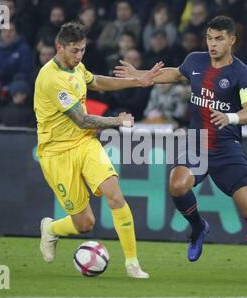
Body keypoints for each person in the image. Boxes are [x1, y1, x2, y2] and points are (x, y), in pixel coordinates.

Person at [115, 16, 247, 281]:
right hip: (197, 142)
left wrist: (231, 117)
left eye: (219, 39)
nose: (213, 44)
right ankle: (198, 227)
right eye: (210, 38)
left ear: (232, 40)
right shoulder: (195, 61)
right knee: (177, 184)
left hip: (227, 147)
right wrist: (142, 76)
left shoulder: (242, 73)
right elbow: (176, 74)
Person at [35, 22, 162, 279]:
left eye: (82, 50)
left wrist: (137, 81)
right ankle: (51, 229)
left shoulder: (76, 66)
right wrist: (118, 120)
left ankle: (132, 264)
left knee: (115, 195)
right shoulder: (52, 79)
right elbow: (82, 119)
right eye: (74, 50)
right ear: (59, 47)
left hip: (84, 143)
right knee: (85, 224)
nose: (79, 55)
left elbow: (96, 82)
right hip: (56, 152)